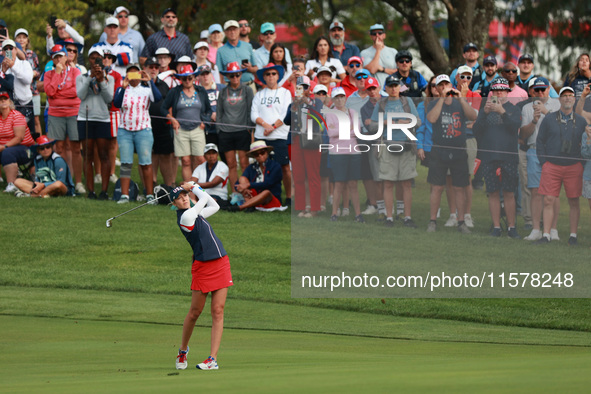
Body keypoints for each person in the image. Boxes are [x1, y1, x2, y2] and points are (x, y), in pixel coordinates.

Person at [171, 182, 233, 371]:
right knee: (195, 312)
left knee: (218, 310)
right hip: (203, 267)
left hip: (221, 262)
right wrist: (194, 186)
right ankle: (183, 350)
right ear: (175, 204)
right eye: (180, 198)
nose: (184, 199)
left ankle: (212, 359)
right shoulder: (187, 217)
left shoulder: (196, 213)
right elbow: (204, 199)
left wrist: (193, 189)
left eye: (185, 196)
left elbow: (214, 206)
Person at [425, 74, 477, 234]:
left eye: (446, 84)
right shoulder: (433, 103)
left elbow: (473, 116)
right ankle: (432, 221)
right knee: (437, 187)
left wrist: (461, 98)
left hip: (459, 150)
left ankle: (461, 222)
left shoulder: (460, 103)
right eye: (441, 85)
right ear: (437, 88)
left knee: (459, 187)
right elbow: (432, 119)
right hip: (439, 150)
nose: (444, 87)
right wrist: (442, 98)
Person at [535, 87, 586, 246]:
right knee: (549, 199)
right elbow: (540, 141)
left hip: (574, 166)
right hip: (552, 165)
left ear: (574, 100)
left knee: (574, 201)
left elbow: (585, 144)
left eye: (571, 96)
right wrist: (544, 162)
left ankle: (573, 236)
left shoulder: (581, 121)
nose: (568, 98)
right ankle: (546, 235)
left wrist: (581, 163)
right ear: (559, 99)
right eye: (564, 96)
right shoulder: (549, 119)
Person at [473, 77, 522, 238]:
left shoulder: (513, 109)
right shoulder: (485, 110)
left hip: (508, 156)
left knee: (509, 192)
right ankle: (496, 227)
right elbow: (476, 131)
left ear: (507, 92)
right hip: (489, 156)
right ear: (492, 92)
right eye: (496, 90)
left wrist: (502, 111)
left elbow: (514, 127)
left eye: (502, 90)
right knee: (492, 192)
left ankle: (511, 227)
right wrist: (485, 113)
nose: (499, 93)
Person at [370, 75, 420, 228]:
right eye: (390, 86)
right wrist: (386, 122)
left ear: (400, 87)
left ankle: (407, 217)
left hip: (406, 145)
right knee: (388, 183)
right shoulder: (381, 104)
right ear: (386, 88)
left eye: (395, 86)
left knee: (406, 183)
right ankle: (389, 217)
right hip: (387, 145)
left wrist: (407, 121)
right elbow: (372, 126)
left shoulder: (408, 102)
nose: (393, 88)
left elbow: (418, 121)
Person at [113, 64, 162, 204]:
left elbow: (158, 98)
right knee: (126, 163)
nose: (134, 77)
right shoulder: (122, 90)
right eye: (131, 74)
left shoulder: (146, 90)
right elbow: (116, 103)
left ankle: (149, 195)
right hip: (125, 130)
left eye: (136, 73)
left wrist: (150, 80)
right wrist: (123, 86)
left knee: (146, 163)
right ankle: (124, 195)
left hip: (143, 129)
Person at [520, 77, 561, 241]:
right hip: (534, 151)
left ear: (548, 88)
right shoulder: (526, 108)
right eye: (536, 90)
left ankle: (553, 230)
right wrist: (534, 121)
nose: (540, 93)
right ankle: (536, 229)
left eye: (543, 89)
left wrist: (546, 113)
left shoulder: (557, 104)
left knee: (553, 193)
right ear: (531, 92)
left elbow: (561, 129)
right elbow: (523, 135)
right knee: (535, 191)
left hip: (553, 153)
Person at [161, 65, 212, 181]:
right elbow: (163, 108)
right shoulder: (175, 92)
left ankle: (200, 188)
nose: (187, 81)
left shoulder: (201, 91)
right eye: (184, 78)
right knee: (185, 160)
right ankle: (188, 191)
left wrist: (205, 122)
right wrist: (172, 119)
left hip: (197, 129)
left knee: (200, 159)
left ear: (194, 77)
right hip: (181, 130)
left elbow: (209, 110)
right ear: (180, 79)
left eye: (190, 78)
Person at [76, 47, 115, 200]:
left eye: (98, 58)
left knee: (104, 155)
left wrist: (101, 81)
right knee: (87, 155)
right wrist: (90, 78)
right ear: (88, 60)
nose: (95, 61)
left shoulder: (108, 78)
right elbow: (81, 95)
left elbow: (108, 98)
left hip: (102, 119)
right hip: (85, 118)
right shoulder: (81, 77)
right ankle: (90, 191)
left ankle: (104, 191)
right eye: (92, 58)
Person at [44, 45, 83, 193]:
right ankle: (60, 179)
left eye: (61, 56)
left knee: (75, 148)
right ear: (52, 59)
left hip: (73, 112)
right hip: (55, 113)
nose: (59, 59)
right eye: (56, 56)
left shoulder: (75, 71)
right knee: (58, 148)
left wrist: (59, 92)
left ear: (66, 57)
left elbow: (76, 91)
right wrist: (57, 75)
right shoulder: (49, 74)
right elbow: (49, 91)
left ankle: (77, 182)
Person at [251, 63, 292, 205]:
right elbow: (253, 114)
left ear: (278, 76)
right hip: (261, 136)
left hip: (280, 135)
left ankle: (289, 197)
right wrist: (265, 125)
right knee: (261, 168)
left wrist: (273, 127)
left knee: (285, 167)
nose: (270, 76)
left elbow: (286, 113)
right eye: (267, 74)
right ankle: (264, 197)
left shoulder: (285, 93)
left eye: (273, 74)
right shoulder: (259, 94)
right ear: (264, 77)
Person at [324, 87, 364, 222]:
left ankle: (358, 214)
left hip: (354, 151)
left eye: (341, 97)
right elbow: (331, 133)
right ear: (333, 100)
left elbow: (357, 131)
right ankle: (334, 214)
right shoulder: (330, 113)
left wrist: (341, 129)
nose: (339, 100)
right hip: (337, 152)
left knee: (353, 183)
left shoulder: (353, 112)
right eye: (337, 97)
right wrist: (349, 128)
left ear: (345, 98)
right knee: (339, 183)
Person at [286, 76, 323, 217]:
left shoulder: (316, 102)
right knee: (299, 176)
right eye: (299, 87)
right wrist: (294, 106)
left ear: (309, 89)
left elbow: (319, 117)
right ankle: (301, 207)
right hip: (296, 141)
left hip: (310, 140)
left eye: (305, 87)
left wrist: (306, 103)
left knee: (313, 176)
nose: (302, 90)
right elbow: (286, 121)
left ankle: (314, 208)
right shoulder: (294, 103)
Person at [216, 62, 254, 194]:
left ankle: (245, 192)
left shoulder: (247, 90)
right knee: (231, 165)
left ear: (241, 74)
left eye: (237, 75)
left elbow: (251, 110)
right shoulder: (222, 92)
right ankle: (234, 193)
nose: (235, 78)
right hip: (226, 132)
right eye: (232, 76)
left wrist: (250, 129)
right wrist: (219, 130)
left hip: (242, 131)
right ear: (227, 76)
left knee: (244, 164)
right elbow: (219, 112)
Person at [145, 57, 175, 187]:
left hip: (162, 125)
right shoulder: (140, 83)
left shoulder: (163, 85)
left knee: (165, 156)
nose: (153, 69)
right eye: (151, 67)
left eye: (156, 67)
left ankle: (169, 187)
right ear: (145, 68)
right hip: (145, 125)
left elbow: (169, 104)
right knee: (148, 157)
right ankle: (150, 186)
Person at [0, 88, 35, 192]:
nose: (2, 101)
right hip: (6, 148)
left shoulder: (17, 116)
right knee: (6, 151)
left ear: (10, 102)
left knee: (7, 152)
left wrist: (4, 146)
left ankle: (11, 184)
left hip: (26, 149)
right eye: (0, 99)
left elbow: (19, 138)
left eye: (5, 99)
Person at [234, 140, 285, 211]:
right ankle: (250, 205)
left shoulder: (275, 166)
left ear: (267, 152)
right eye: (256, 154)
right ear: (254, 156)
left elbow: (268, 184)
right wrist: (244, 189)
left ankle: (241, 207)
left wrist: (248, 185)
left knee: (266, 192)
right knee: (242, 178)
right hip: (254, 195)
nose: (260, 156)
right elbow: (237, 184)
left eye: (262, 152)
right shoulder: (251, 167)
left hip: (270, 198)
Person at [2, 39, 34, 139]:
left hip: (25, 105)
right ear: (2, 52)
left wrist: (13, 67)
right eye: (5, 49)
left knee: (28, 136)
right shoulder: (1, 67)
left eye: (11, 48)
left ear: (16, 50)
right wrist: (3, 72)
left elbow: (28, 80)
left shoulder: (24, 64)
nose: (9, 51)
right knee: (11, 137)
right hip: (8, 107)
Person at [14, 28, 42, 137]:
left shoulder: (32, 54)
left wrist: (32, 73)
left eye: (24, 37)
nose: (21, 40)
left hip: (33, 91)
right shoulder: (12, 54)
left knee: (35, 120)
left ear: (27, 40)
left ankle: (39, 144)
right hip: (18, 94)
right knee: (19, 121)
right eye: (19, 37)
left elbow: (38, 70)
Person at [216, 20, 258, 92]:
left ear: (239, 31)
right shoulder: (220, 51)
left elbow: (256, 68)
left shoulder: (248, 46)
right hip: (229, 88)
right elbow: (219, 73)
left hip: (249, 85)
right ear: (225, 33)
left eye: (234, 29)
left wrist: (249, 68)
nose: (232, 32)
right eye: (229, 30)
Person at [198, 64, 224, 147]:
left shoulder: (222, 88)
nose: (205, 77)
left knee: (226, 156)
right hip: (208, 130)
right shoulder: (197, 92)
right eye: (202, 74)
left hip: (223, 128)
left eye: (207, 74)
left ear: (211, 75)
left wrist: (219, 114)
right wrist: (209, 116)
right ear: (198, 77)